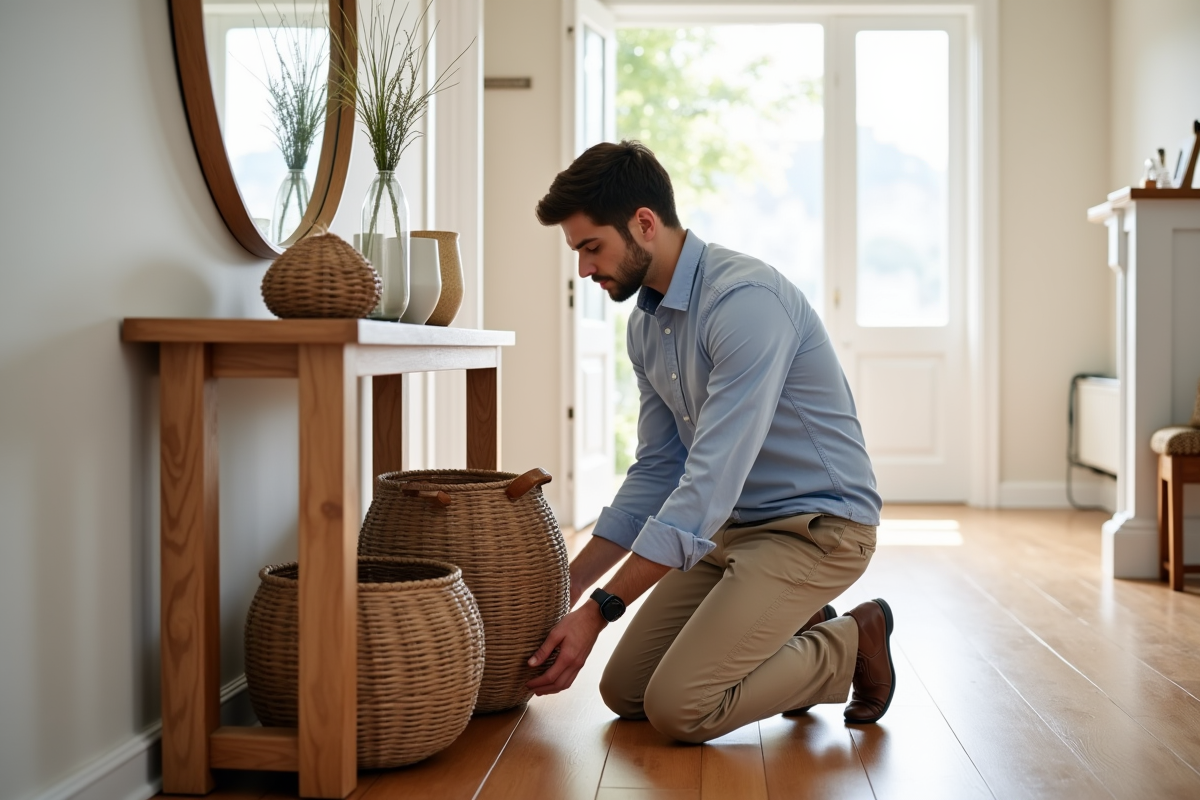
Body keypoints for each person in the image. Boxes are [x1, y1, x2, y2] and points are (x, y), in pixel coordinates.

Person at [526, 140, 893, 743]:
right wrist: (565, 584)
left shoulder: (745, 302)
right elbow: (658, 470)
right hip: (729, 532)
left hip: (819, 531)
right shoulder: (646, 324)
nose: (585, 268)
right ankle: (789, 621)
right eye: (578, 252)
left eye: (592, 247)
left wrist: (599, 610)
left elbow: (708, 483)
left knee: (680, 708)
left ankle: (850, 641)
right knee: (626, 693)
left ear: (644, 223)